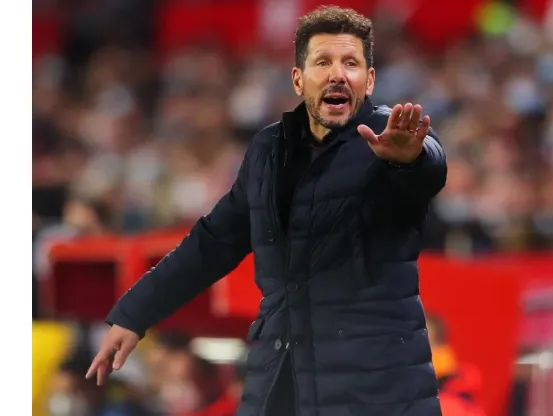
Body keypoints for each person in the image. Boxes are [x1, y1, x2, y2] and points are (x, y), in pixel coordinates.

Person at [86, 5, 447, 416]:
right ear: (298, 79)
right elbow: (213, 242)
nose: (337, 74)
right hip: (280, 381)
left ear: (369, 80)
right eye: (323, 62)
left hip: (377, 390)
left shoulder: (388, 138)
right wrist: (134, 313)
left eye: (351, 63)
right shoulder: (267, 151)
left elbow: (427, 170)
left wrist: (408, 159)